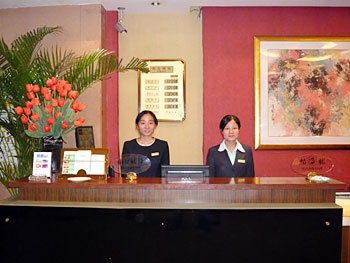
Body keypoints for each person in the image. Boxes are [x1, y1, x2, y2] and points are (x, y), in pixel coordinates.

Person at [121, 110, 170, 177]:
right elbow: (125, 174)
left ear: (155, 125)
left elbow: (165, 173)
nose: (147, 127)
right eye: (143, 123)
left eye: (150, 123)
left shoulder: (162, 145)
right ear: (137, 126)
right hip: (135, 186)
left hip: (157, 186)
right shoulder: (129, 146)